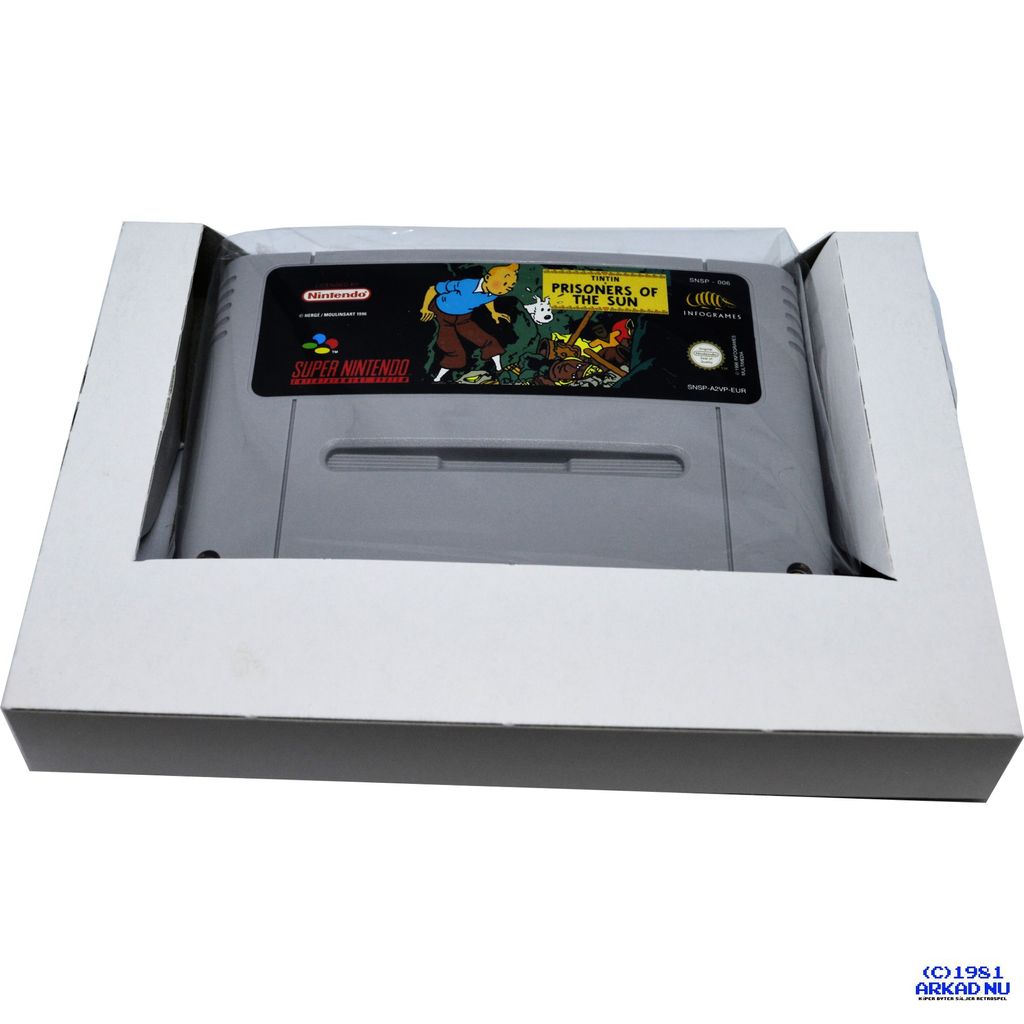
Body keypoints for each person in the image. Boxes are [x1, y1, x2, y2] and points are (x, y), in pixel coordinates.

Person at [420, 264, 519, 381]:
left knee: (488, 340)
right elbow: (433, 289)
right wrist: (425, 308)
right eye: (504, 284)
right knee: (454, 350)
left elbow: (487, 299)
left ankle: (499, 369)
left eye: (509, 287)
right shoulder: (466, 285)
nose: (505, 289)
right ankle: (437, 379)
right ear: (487, 278)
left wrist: (493, 312)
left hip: (463, 318)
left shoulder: (494, 293)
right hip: (442, 313)